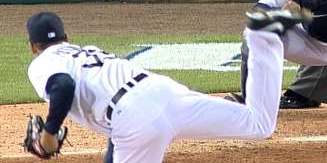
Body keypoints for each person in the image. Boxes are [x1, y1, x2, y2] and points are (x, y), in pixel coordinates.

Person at [24, 9, 297, 162]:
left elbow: (62, 86)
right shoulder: (88, 52)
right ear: (66, 37)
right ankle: (262, 39)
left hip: (133, 119)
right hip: (163, 92)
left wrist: (50, 132)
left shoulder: (42, 63)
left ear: (33, 47)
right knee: (258, 123)